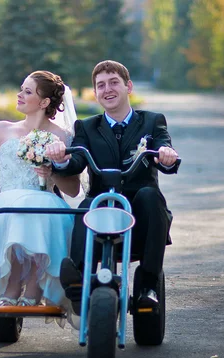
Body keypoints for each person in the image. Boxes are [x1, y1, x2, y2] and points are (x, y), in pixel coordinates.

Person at [46, 60, 179, 316]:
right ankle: (78, 276)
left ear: (128, 86)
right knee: (87, 206)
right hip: (101, 203)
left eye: (114, 82)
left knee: (151, 195)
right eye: (101, 85)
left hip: (140, 213)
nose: (107, 89)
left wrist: (166, 154)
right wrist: (61, 159)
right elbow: (77, 161)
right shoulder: (87, 127)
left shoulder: (151, 121)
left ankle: (148, 285)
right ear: (95, 93)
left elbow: (164, 145)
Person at [0, 71, 81, 313]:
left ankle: (34, 285)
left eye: (28, 91)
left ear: (44, 102)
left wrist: (52, 172)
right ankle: (11, 286)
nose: (20, 95)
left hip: (45, 203)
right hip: (7, 204)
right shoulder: (1, 130)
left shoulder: (63, 137)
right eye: (21, 89)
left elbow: (73, 190)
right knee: (13, 208)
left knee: (39, 208)